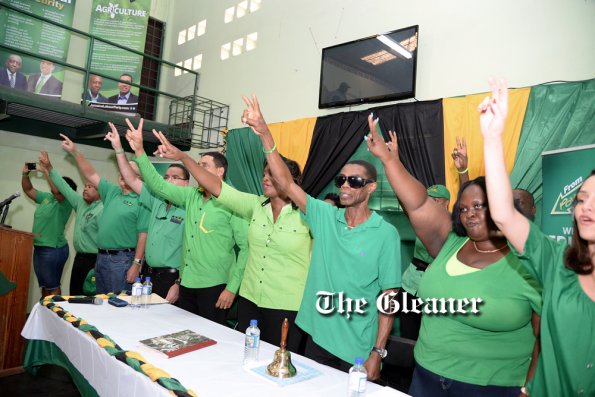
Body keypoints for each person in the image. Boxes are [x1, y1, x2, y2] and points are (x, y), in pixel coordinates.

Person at [365, 113, 542, 396]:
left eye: (479, 206)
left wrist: (529, 388)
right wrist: (388, 160)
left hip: (492, 387)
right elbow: (419, 203)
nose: (470, 213)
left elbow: (544, 337)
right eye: (463, 208)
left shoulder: (530, 260)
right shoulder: (450, 243)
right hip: (426, 377)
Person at [239, 95, 400, 380]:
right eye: (341, 180)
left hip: (357, 347)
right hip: (316, 337)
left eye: (355, 181)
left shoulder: (385, 234)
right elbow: (286, 182)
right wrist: (264, 132)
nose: (345, 185)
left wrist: (379, 352)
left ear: (372, 187)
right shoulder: (325, 217)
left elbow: (389, 296)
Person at [143, 122, 311, 351]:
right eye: (264, 174)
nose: (265, 178)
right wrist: (183, 157)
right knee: (242, 357)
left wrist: (264, 134)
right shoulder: (254, 206)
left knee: (278, 365)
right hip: (251, 302)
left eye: (272, 174)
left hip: (285, 304)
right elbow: (217, 187)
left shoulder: (308, 215)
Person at [481, 78, 594, 397]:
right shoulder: (559, 262)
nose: (586, 208)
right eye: (582, 198)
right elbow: (503, 214)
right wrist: (492, 138)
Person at [124, 119, 250, 324]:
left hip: (216, 286)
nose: (198, 170)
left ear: (220, 172)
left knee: (211, 341)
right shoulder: (190, 195)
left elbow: (246, 249)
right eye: (197, 166)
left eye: (204, 166)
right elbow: (158, 186)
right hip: (187, 283)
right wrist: (139, 151)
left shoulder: (233, 202)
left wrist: (232, 288)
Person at [104, 119, 189, 304]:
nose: (169, 181)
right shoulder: (156, 200)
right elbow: (130, 178)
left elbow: (191, 252)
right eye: (166, 177)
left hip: (172, 278)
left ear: (186, 184)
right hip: (150, 275)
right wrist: (119, 149)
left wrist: (179, 282)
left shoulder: (190, 207)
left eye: (176, 178)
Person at [59, 133, 149, 295]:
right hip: (101, 258)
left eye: (127, 170)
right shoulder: (112, 192)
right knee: (102, 303)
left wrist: (136, 264)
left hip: (122, 260)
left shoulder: (142, 200)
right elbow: (91, 174)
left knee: (119, 306)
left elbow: (143, 234)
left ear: (139, 178)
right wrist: (75, 152)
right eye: (122, 169)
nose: (122, 172)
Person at [39, 153, 103, 296]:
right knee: (74, 295)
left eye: (90, 187)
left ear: (100, 192)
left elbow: (106, 237)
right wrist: (49, 168)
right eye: (85, 186)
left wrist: (99, 262)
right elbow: (63, 187)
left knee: (90, 296)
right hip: (79, 258)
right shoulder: (80, 202)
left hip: (95, 260)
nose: (85, 189)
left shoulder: (104, 208)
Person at [399, 183, 450, 340]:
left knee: (432, 336)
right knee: (408, 335)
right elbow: (406, 204)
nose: (431, 204)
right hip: (411, 284)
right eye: (428, 200)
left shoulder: (455, 225)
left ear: (447, 202)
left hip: (438, 288)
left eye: (436, 200)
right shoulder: (420, 221)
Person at [21, 152, 75, 297]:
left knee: (53, 287)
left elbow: (58, 191)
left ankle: (55, 316)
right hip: (39, 247)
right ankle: (46, 316)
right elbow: (28, 190)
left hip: (53, 249)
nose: (55, 184)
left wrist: (46, 171)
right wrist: (25, 175)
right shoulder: (47, 198)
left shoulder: (66, 202)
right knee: (45, 287)